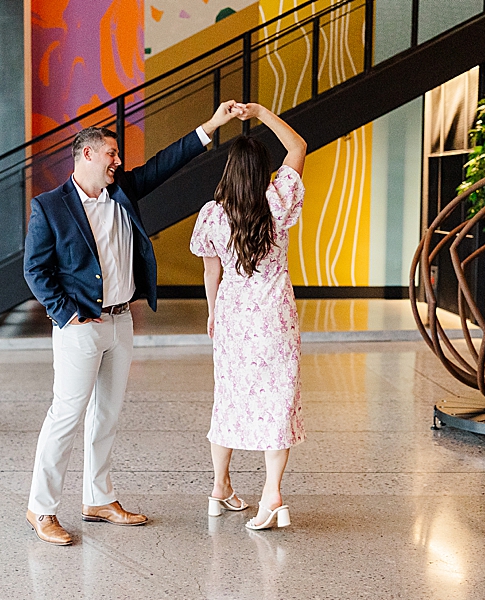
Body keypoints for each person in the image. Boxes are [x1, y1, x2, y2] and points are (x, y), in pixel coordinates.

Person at [23, 101, 242, 545]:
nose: (118, 162)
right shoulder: (49, 207)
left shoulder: (121, 189)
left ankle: (98, 499)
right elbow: (35, 270)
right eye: (111, 154)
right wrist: (67, 315)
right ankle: (42, 509)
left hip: (122, 322)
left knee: (107, 415)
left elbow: (165, 163)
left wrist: (211, 124)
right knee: (66, 415)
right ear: (87, 155)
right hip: (79, 326)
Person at [189, 102, 307, 530]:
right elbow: (298, 145)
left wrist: (211, 314)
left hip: (233, 319)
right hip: (275, 318)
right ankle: (271, 496)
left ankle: (220, 489)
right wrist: (260, 112)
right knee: (277, 403)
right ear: (262, 171)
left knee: (229, 402)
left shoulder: (212, 215)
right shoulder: (278, 199)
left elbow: (210, 270)